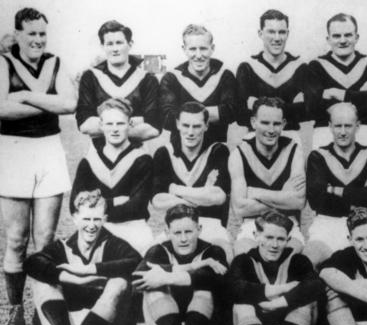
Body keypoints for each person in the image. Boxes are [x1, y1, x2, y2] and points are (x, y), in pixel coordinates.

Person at [0, 7, 77, 325]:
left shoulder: (55, 62)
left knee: (44, 240)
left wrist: (27, 96)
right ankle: (15, 311)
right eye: (31, 34)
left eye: (42, 34)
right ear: (17, 34)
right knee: (16, 240)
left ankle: (43, 309)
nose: (38, 40)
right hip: (14, 150)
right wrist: (48, 100)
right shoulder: (3, 62)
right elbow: (2, 108)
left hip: (49, 149)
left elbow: (69, 105)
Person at [24, 190, 141, 325]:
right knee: (41, 281)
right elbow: (31, 263)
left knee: (119, 283)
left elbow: (136, 261)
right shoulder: (63, 246)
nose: (92, 225)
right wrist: (73, 279)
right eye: (86, 219)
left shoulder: (113, 244)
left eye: (97, 219)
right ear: (75, 218)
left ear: (105, 219)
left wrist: (89, 270)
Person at [134, 204, 231, 325]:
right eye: (177, 233)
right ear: (167, 232)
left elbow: (215, 279)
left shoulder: (213, 251)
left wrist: (166, 277)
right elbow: (137, 280)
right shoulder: (158, 250)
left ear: (199, 229)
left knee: (204, 291)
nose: (183, 239)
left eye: (188, 232)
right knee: (154, 292)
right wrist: (194, 267)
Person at [230, 210, 324, 325]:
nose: (274, 245)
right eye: (269, 237)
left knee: (307, 303)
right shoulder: (244, 260)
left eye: (280, 239)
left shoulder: (297, 260)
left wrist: (277, 303)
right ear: (256, 235)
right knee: (241, 306)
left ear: (288, 240)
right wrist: (284, 288)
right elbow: (232, 288)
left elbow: (316, 285)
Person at [303, 103, 367, 267]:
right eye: (338, 126)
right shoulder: (318, 157)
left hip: (363, 224)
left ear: (358, 126)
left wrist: (333, 189)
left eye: (348, 126)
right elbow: (317, 201)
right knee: (305, 262)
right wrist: (361, 193)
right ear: (330, 127)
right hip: (326, 224)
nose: (342, 132)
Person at [71, 98, 154, 256]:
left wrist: (99, 203)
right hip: (96, 228)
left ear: (130, 124)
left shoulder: (143, 160)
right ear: (101, 126)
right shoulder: (88, 162)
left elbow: (136, 207)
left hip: (133, 229)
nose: (114, 129)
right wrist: (117, 200)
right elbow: (74, 206)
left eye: (120, 124)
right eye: (109, 124)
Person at [152, 101, 233, 262]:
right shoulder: (164, 152)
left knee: (225, 256)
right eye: (186, 125)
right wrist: (201, 197)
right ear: (177, 124)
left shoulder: (218, 150)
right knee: (153, 255)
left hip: (210, 224)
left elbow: (218, 197)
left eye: (196, 126)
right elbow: (157, 200)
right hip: (175, 227)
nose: (190, 132)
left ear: (206, 126)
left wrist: (175, 189)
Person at [229, 97, 306, 256]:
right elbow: (240, 208)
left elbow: (298, 202)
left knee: (293, 254)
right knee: (243, 253)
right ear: (253, 122)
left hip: (288, 223)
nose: (271, 130)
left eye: (276, 124)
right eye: (265, 123)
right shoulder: (239, 154)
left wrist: (256, 193)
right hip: (253, 224)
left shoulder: (294, 150)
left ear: (284, 124)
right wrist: (284, 197)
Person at [306, 13, 367, 150]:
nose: (342, 40)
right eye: (336, 36)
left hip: (364, 130)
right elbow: (312, 106)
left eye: (348, 35)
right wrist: (360, 97)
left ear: (356, 37)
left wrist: (337, 94)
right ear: (328, 39)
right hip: (325, 131)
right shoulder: (315, 66)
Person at [76, 20, 160, 141]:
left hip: (136, 153)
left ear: (130, 44)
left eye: (119, 43)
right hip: (99, 154)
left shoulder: (147, 79)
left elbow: (153, 127)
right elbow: (84, 124)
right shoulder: (90, 77)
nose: (115, 49)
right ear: (102, 46)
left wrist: (105, 124)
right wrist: (134, 122)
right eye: (109, 44)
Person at [236, 9, 309, 145]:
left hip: (290, 135)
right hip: (255, 137)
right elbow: (241, 115)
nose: (277, 38)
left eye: (281, 32)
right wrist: (290, 107)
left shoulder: (300, 68)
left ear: (287, 33)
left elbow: (307, 111)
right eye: (271, 32)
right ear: (260, 33)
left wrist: (257, 105)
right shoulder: (247, 68)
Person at [160, 24, 238, 145]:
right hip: (180, 151)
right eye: (192, 49)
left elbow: (231, 112)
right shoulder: (172, 78)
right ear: (184, 49)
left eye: (203, 48)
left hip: (216, 149)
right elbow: (167, 118)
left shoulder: (225, 76)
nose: (198, 55)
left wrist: (184, 116)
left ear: (212, 48)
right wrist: (213, 113)